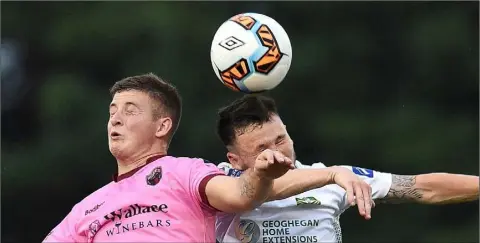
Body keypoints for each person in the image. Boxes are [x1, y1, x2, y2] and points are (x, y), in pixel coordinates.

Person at [42, 73, 373, 243]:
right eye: (112, 111)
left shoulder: (184, 173)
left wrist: (327, 173)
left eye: (130, 111)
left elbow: (242, 195)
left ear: (162, 126)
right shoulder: (86, 209)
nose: (115, 119)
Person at [214, 94, 479, 243]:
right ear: (235, 159)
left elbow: (422, 187)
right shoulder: (218, 181)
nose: (277, 151)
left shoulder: (336, 179)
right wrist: (332, 174)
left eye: (281, 139)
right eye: (262, 148)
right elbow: (257, 190)